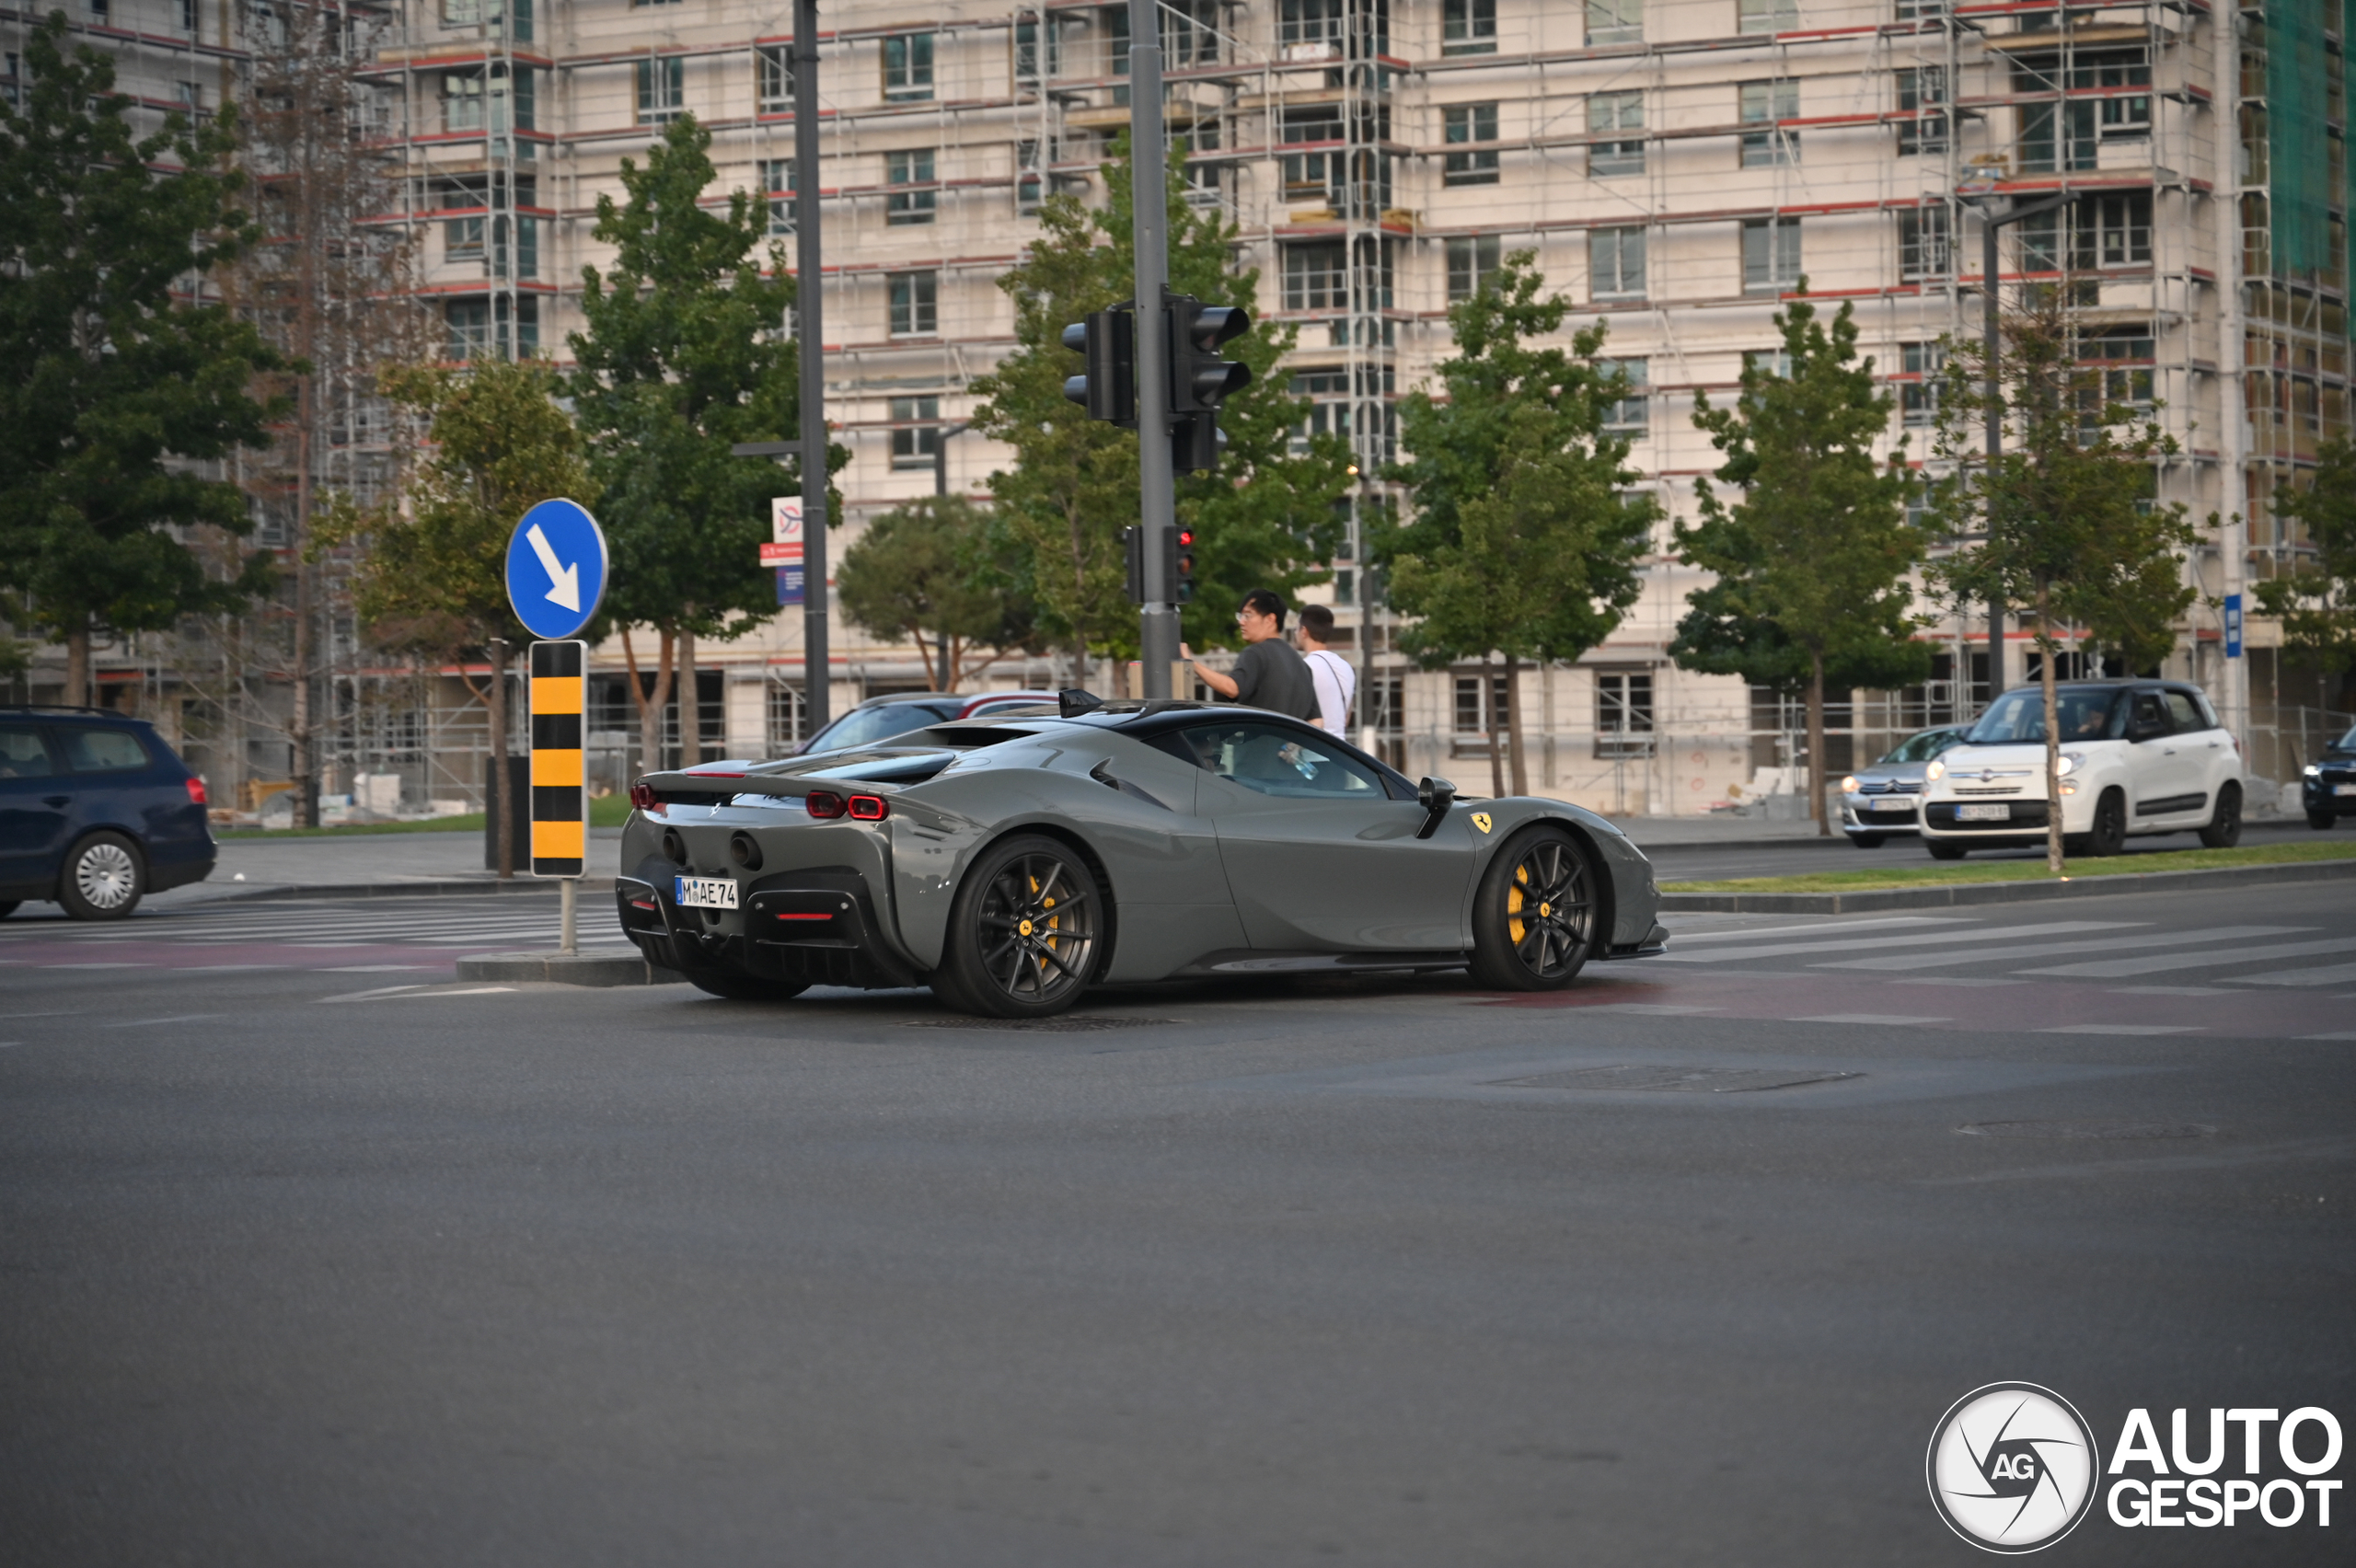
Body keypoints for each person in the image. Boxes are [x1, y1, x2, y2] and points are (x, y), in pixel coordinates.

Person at [1181, 589, 1319, 722]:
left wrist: (1192, 663)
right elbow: (1317, 719)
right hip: (1293, 743)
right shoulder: (1302, 664)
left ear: (1270, 619)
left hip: (1259, 743)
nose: (1241, 622)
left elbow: (1232, 688)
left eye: (1248, 615)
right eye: (1240, 616)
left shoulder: (1256, 653)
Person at [1295, 604, 1356, 733]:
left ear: (1304, 631)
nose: (1296, 633)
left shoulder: (1305, 667)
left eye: (1296, 629)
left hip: (1313, 748)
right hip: (1338, 747)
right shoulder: (1346, 667)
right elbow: (1346, 718)